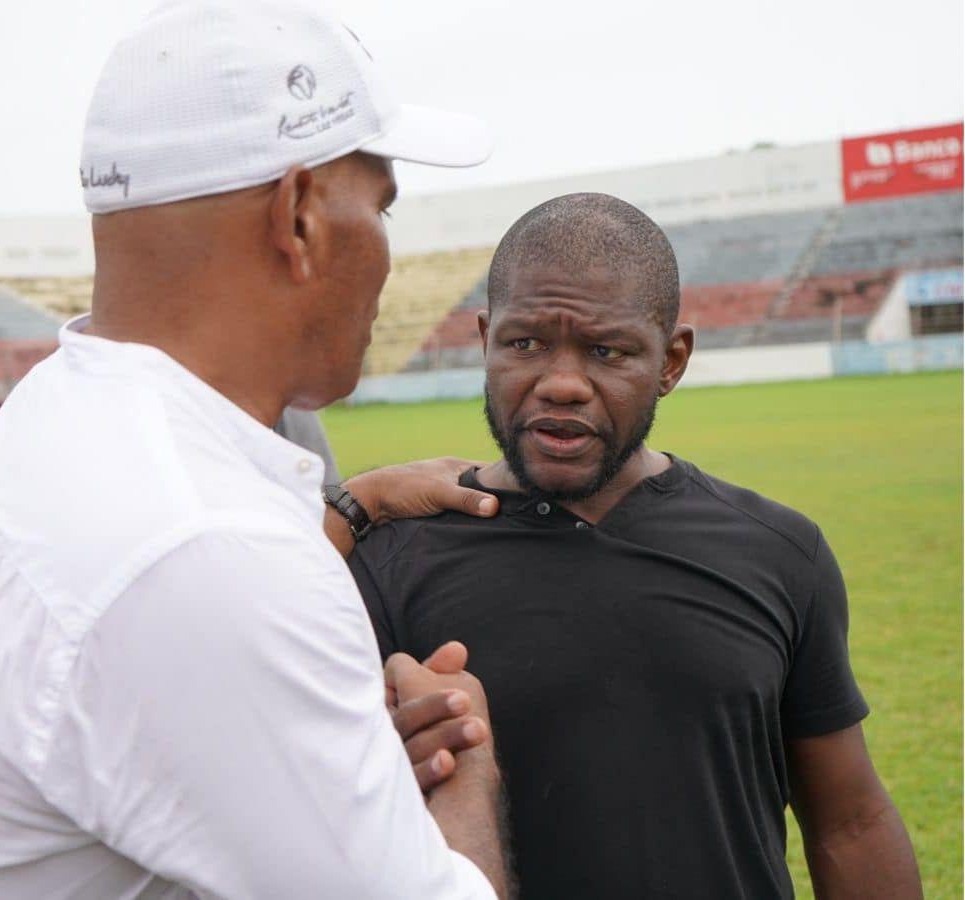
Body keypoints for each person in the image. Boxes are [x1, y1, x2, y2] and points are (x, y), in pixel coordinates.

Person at [0, 3, 512, 898]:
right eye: (383, 205)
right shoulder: (207, 545)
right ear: (300, 216)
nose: (390, 249)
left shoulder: (55, 416)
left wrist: (325, 762)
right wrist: (470, 766)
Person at [350, 193, 923, 899]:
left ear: (671, 361)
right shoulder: (390, 559)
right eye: (525, 343)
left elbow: (851, 824)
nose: (561, 383)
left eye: (606, 351)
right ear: (485, 340)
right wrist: (356, 505)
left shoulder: (779, 551)